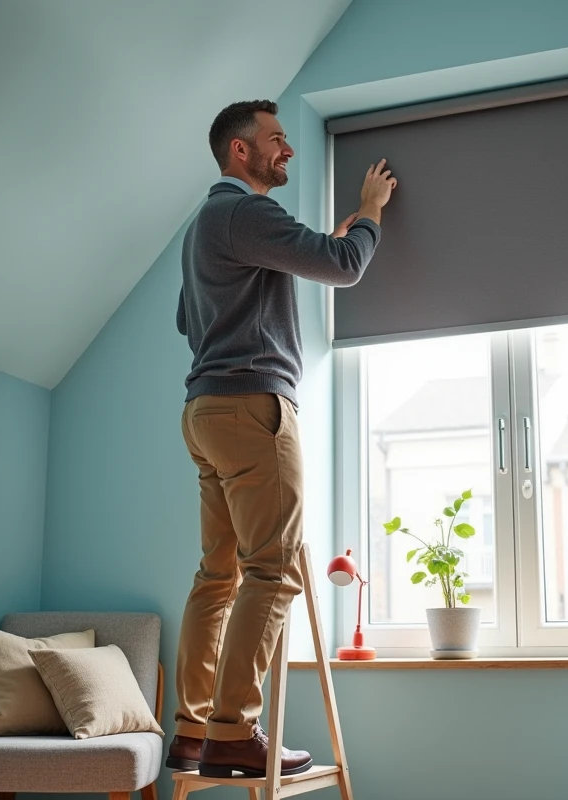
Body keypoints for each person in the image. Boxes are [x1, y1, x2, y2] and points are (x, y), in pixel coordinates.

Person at [167, 100, 397, 778]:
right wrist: (372, 210)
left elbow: (190, 319)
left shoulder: (203, 226)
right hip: (250, 408)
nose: (287, 150)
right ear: (241, 152)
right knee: (272, 569)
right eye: (276, 140)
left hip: (204, 411)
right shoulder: (246, 213)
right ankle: (235, 732)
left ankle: (192, 729)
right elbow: (345, 264)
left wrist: (291, 254)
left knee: (217, 575)